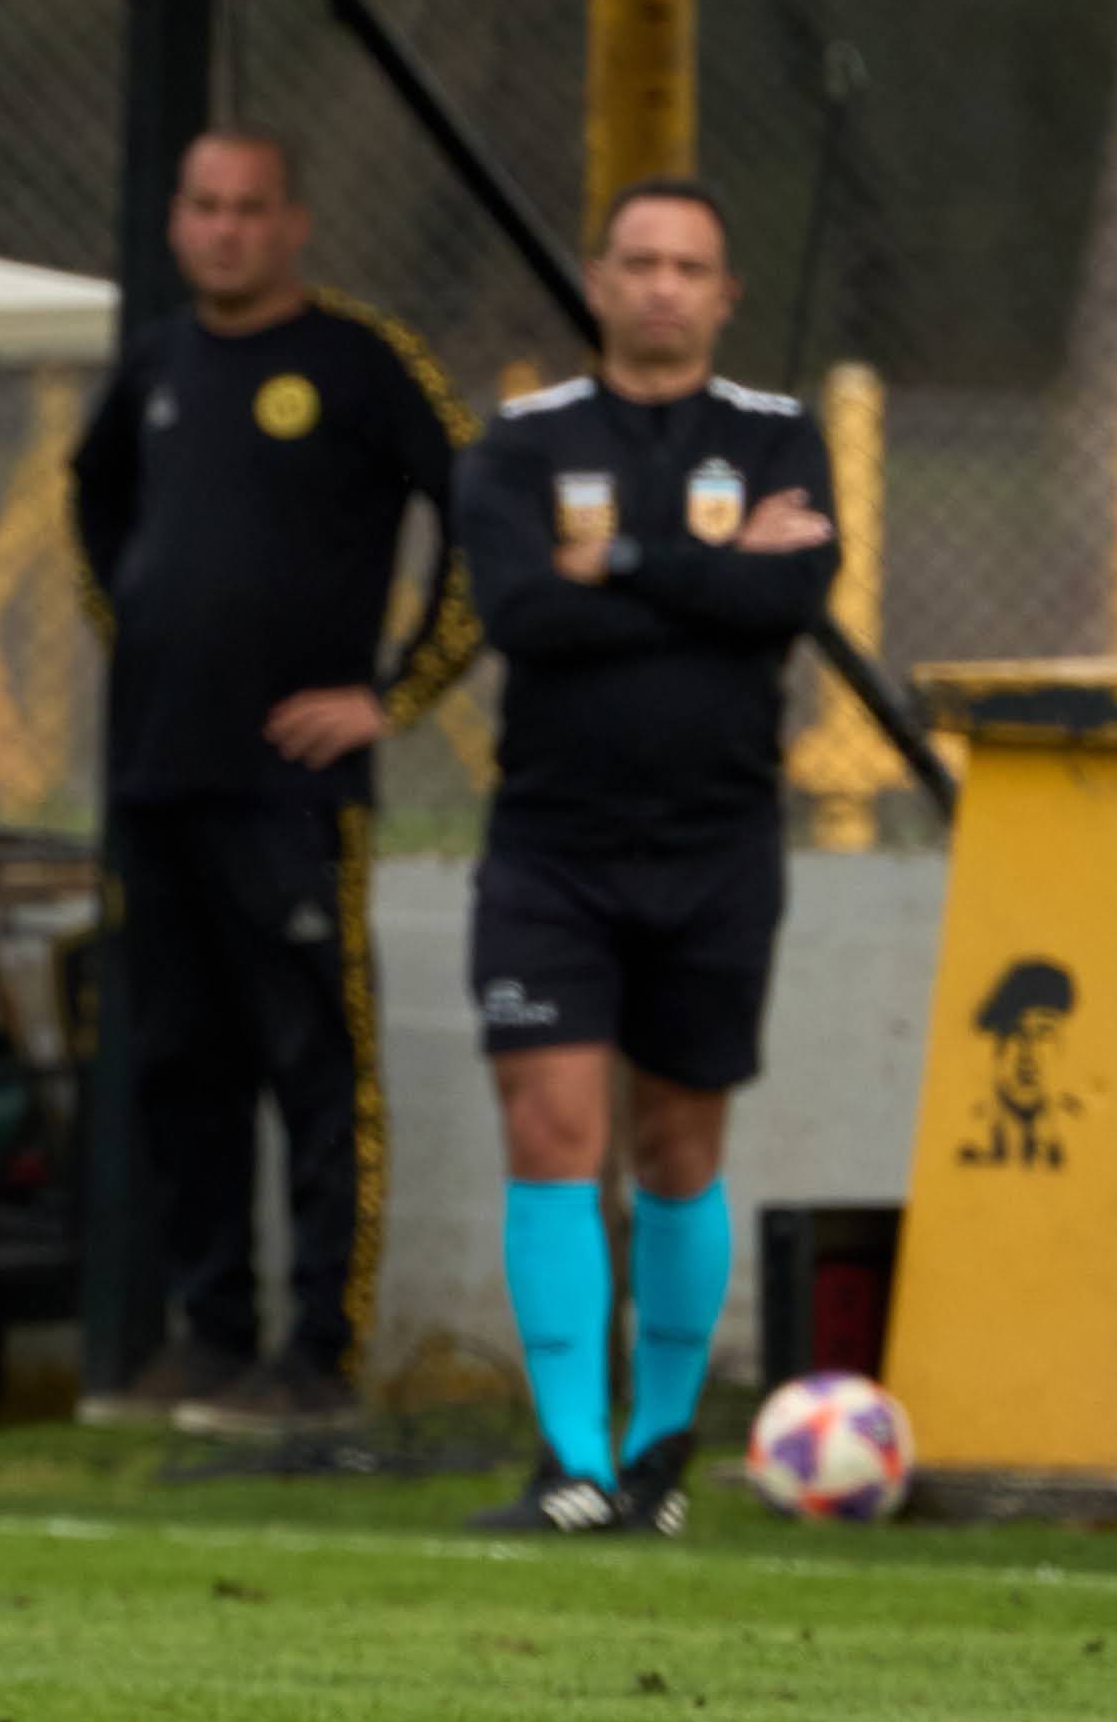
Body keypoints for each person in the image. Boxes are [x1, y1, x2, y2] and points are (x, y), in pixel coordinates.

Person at [69, 128, 480, 1436]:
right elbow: (94, 510)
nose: (225, 229)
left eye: (251, 207)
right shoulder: (155, 367)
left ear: (294, 223)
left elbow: (483, 514)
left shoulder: (360, 361)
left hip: (294, 794)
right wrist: (145, 637)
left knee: (315, 1065)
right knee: (180, 1065)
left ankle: (319, 1355)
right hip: (158, 778)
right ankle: (213, 1337)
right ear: (177, 222)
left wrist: (393, 696)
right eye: (204, 205)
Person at [455, 178, 836, 1537]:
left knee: (678, 1145)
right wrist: (699, 583)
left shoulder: (778, 435)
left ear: (725, 294)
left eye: (690, 266)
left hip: (717, 849)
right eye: (640, 261)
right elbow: (522, 613)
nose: (664, 285)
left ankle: (658, 1459)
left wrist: (614, 560)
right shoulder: (523, 441)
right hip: (552, 851)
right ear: (598, 280)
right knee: (551, 1128)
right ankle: (572, 1463)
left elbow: (784, 598)